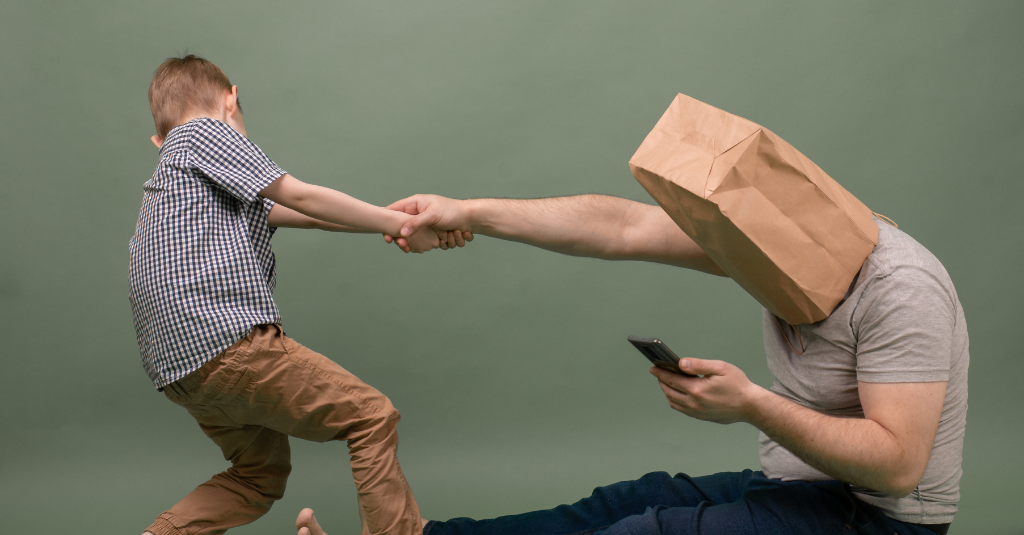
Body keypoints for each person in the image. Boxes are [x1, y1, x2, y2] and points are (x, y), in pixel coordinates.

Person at [361, 193, 965, 535]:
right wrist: (467, 212)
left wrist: (753, 405)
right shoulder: (775, 243)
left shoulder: (901, 289)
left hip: (884, 520)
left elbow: (897, 467)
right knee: (623, 502)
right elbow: (624, 226)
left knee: (640, 533)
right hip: (800, 486)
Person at [130, 55, 467, 535]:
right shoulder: (203, 133)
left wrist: (400, 223)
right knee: (371, 417)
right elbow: (303, 196)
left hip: (182, 372)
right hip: (226, 342)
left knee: (258, 477)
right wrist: (400, 223)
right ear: (231, 100)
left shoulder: (184, 180)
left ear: (156, 140)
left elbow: (307, 215)